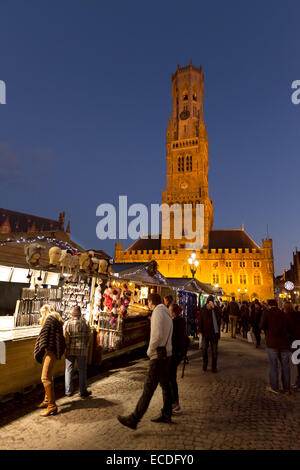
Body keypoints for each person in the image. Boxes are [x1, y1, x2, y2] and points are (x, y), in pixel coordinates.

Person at [117, 293, 173, 430]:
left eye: (148, 303)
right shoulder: (167, 313)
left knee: (148, 388)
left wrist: (150, 350)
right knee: (166, 385)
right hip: (166, 354)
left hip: (158, 356)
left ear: (151, 302)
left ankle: (134, 418)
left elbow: (156, 335)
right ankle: (166, 413)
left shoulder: (157, 313)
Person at [34, 304, 65, 416]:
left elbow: (43, 336)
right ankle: (47, 400)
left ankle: (52, 406)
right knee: (49, 376)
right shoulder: (55, 319)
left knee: (45, 378)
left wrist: (39, 350)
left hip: (50, 352)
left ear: (45, 312)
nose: (41, 316)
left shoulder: (49, 320)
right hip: (54, 352)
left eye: (42, 313)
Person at [260, 299, 292, 395]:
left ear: (269, 305)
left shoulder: (267, 313)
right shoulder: (283, 314)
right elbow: (289, 328)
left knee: (273, 366)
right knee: (286, 366)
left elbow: (261, 326)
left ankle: (274, 387)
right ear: (277, 305)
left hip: (272, 343)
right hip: (284, 344)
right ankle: (287, 388)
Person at [64, 306, 92, 398]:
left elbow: (65, 336)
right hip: (82, 350)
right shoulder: (85, 322)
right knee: (82, 370)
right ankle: (83, 391)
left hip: (70, 350)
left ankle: (68, 391)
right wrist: (86, 346)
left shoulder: (67, 323)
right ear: (80, 314)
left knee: (68, 370)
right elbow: (89, 336)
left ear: (72, 314)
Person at [169, 303, 187, 414]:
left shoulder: (175, 322)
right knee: (172, 379)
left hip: (174, 354)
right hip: (177, 354)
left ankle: (175, 404)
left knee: (171, 380)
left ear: (173, 312)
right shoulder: (180, 321)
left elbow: (174, 339)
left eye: (170, 310)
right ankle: (174, 403)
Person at [198, 295, 221, 372]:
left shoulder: (216, 309)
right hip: (206, 333)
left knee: (214, 351)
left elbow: (220, 316)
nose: (211, 304)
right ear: (208, 302)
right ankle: (205, 363)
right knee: (204, 349)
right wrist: (200, 330)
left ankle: (214, 367)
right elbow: (200, 320)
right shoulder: (203, 309)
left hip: (214, 333)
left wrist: (214, 308)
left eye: (212, 302)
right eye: (210, 302)